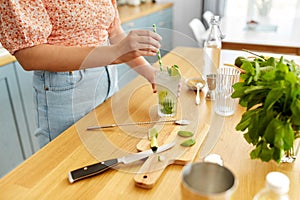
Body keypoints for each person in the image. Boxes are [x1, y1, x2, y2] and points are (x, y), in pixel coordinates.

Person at [0, 0, 162, 148]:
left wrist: (148, 71)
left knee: (106, 151)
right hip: (67, 87)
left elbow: (113, 31)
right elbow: (29, 56)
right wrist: (116, 53)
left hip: (108, 78)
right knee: (64, 162)